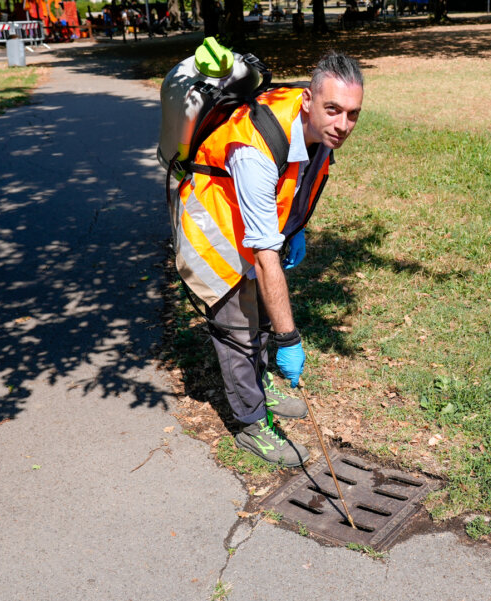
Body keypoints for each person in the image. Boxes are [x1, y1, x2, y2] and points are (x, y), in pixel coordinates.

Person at [172, 52, 364, 467]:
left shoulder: (317, 128)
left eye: (352, 114)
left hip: (249, 218)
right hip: (212, 230)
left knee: (259, 309)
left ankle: (260, 382)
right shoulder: (256, 149)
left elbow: (298, 181)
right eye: (333, 110)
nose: (343, 125)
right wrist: (288, 340)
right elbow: (263, 257)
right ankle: (251, 422)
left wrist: (296, 229)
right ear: (309, 100)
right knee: (237, 329)